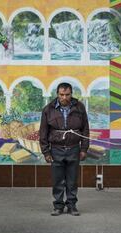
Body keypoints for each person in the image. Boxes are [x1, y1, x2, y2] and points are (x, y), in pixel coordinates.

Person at [39, 82, 89, 216]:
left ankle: (72, 205)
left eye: (67, 95)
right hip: (56, 149)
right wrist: (46, 151)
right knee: (58, 180)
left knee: (72, 180)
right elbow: (43, 132)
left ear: (71, 94)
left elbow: (85, 129)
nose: (64, 98)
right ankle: (58, 206)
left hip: (74, 149)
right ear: (57, 94)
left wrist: (84, 149)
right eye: (61, 95)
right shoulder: (48, 109)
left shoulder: (79, 107)